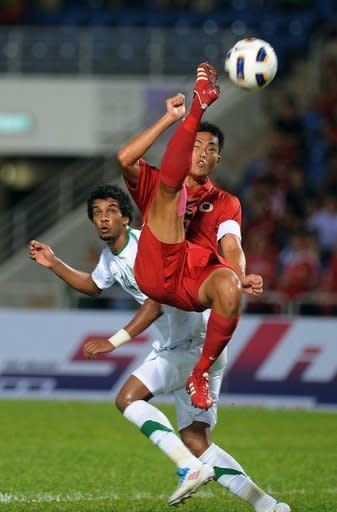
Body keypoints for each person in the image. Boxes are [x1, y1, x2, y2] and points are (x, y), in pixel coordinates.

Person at [29, 184, 290, 512]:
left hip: (192, 343)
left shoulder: (147, 247)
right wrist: (54, 263)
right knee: (197, 441)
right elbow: (94, 285)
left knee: (128, 398)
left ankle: (189, 467)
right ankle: (269, 506)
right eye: (96, 214)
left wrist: (114, 341)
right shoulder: (111, 257)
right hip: (195, 347)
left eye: (111, 210)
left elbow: (156, 300)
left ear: (127, 217)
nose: (103, 218)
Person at [117, 63, 263, 411]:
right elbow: (125, 158)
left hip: (189, 284)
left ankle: (200, 373)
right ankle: (198, 107)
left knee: (228, 286)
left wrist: (239, 277)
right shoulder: (156, 180)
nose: (202, 152)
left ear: (217, 159)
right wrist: (170, 119)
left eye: (210, 148)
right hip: (154, 270)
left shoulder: (226, 202)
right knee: (171, 193)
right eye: (195, 144)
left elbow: (232, 244)